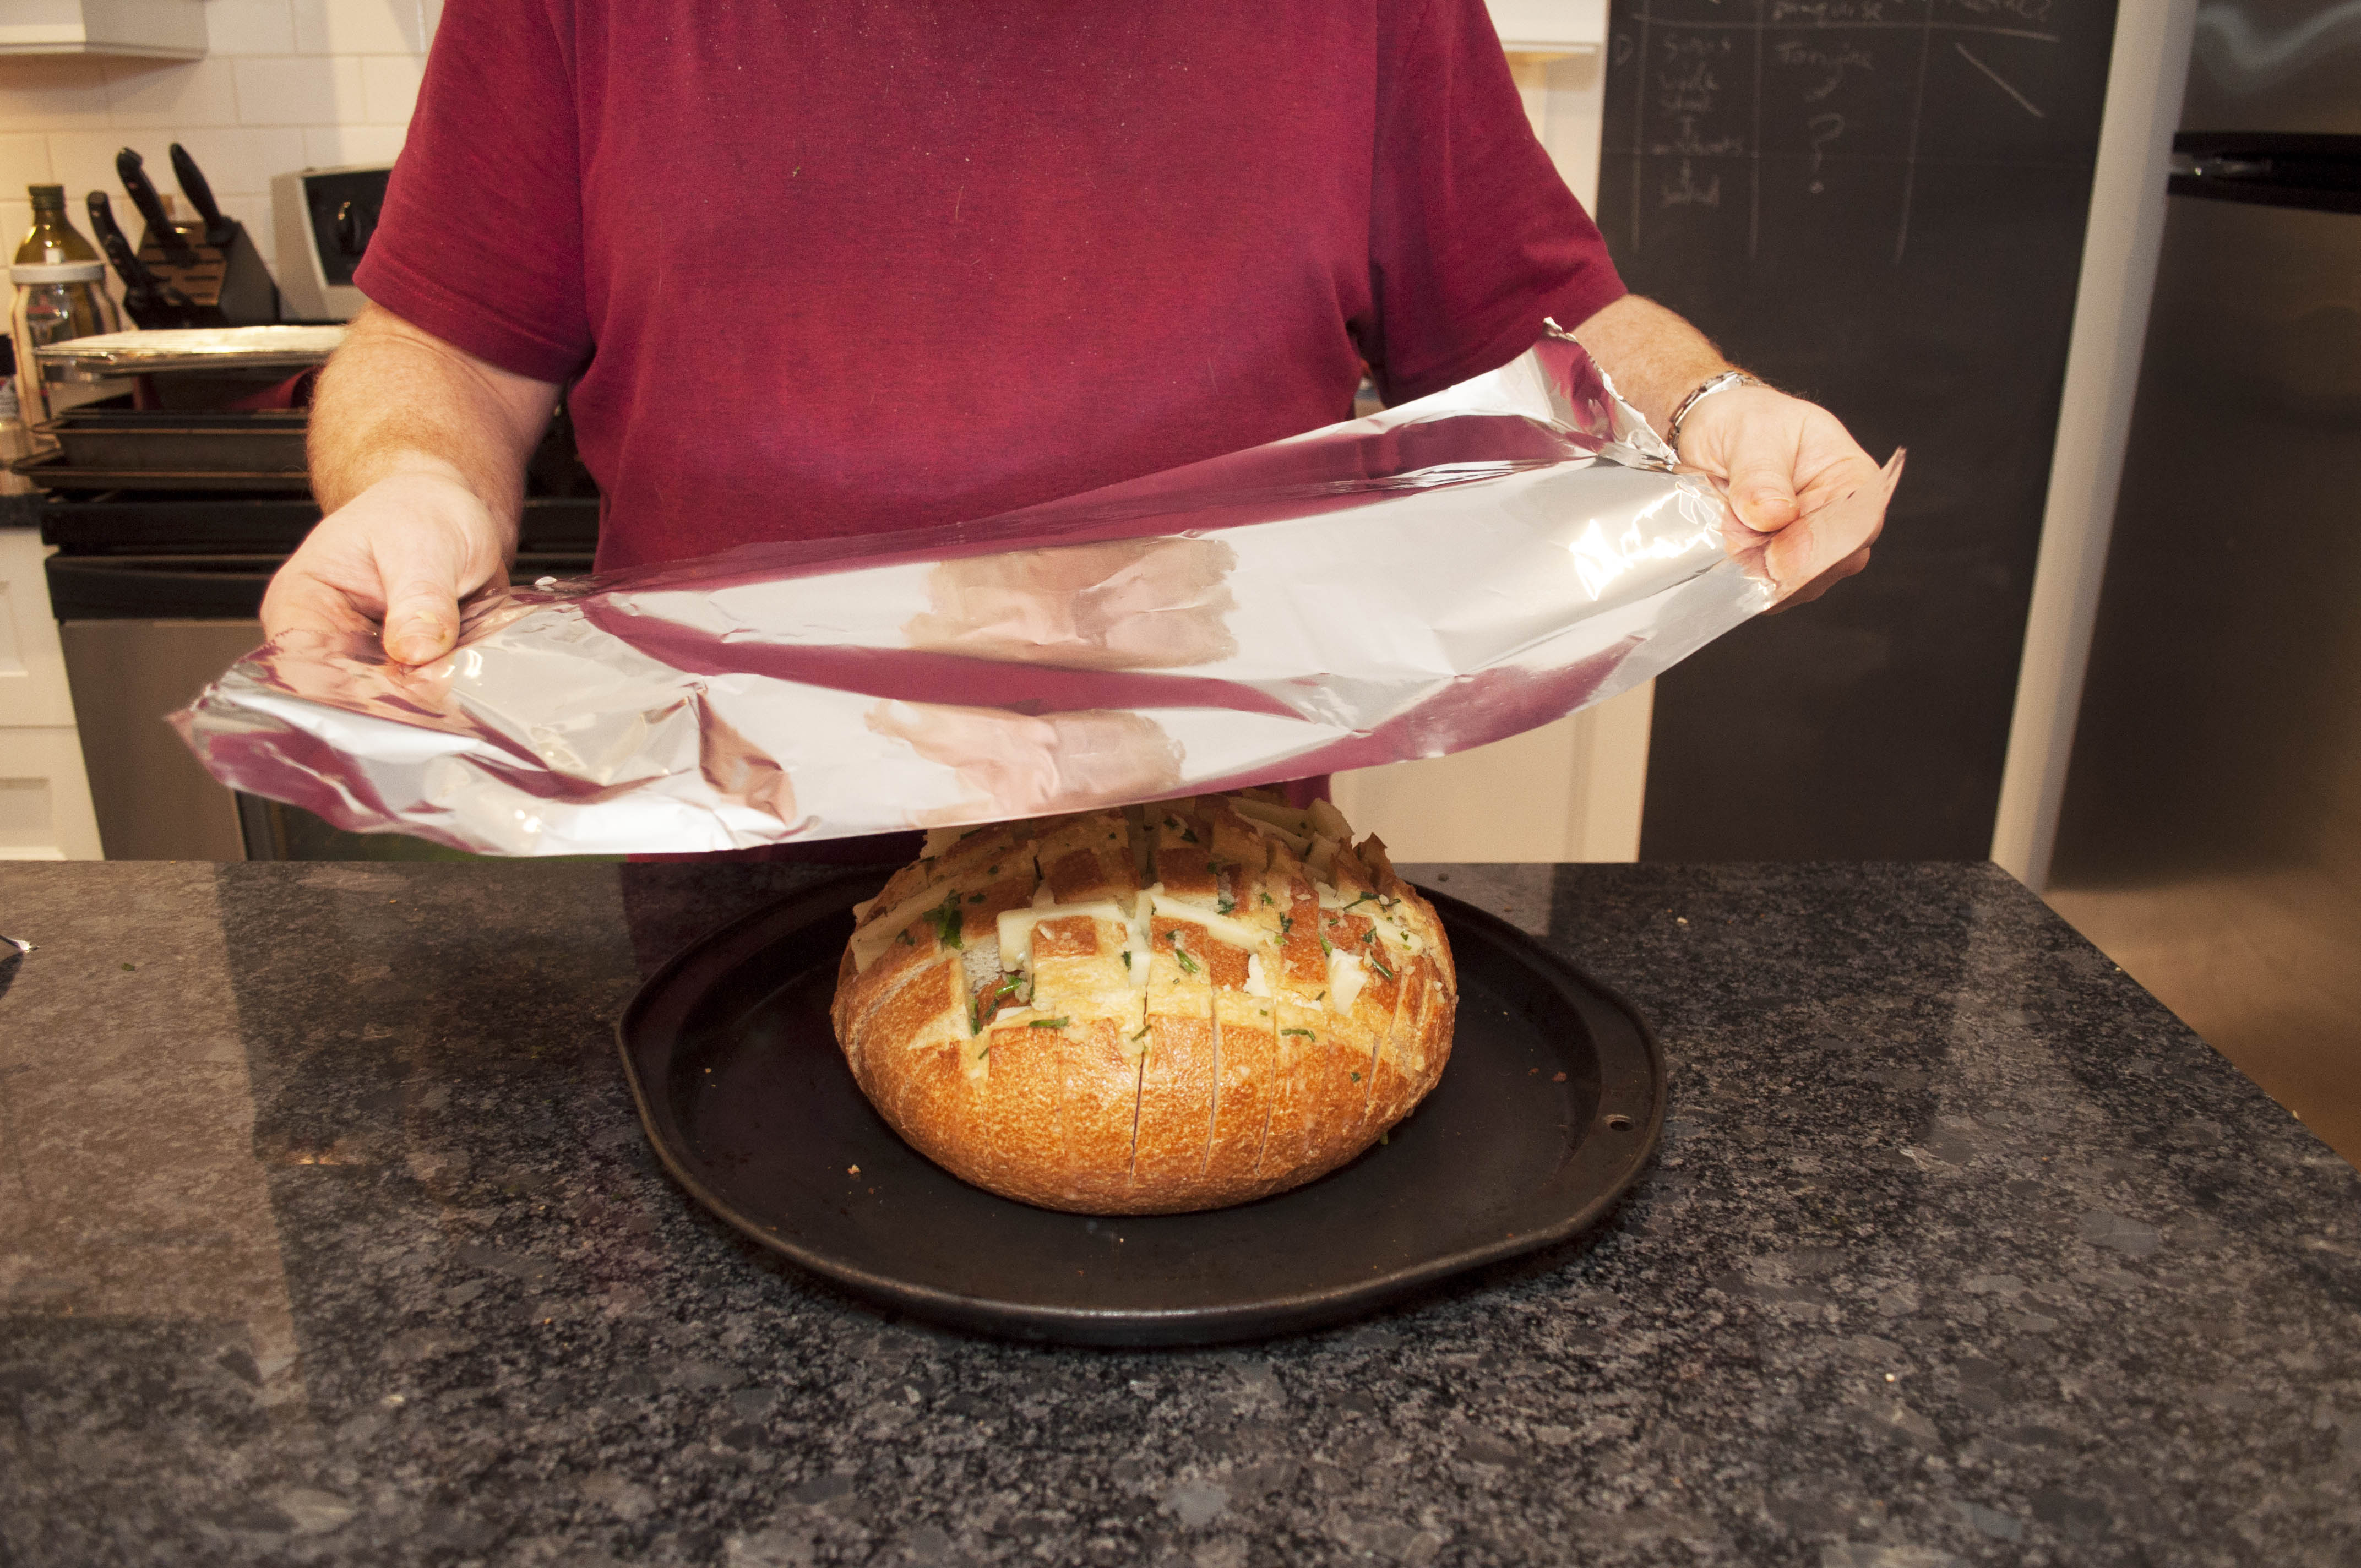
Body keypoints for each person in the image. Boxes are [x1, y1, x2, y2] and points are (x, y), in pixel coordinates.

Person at [263, 0, 1887, 696]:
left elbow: (1553, 328)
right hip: (713, 885)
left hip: (1228, 912)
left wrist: (1712, 410)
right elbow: (444, 347)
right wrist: (414, 486)